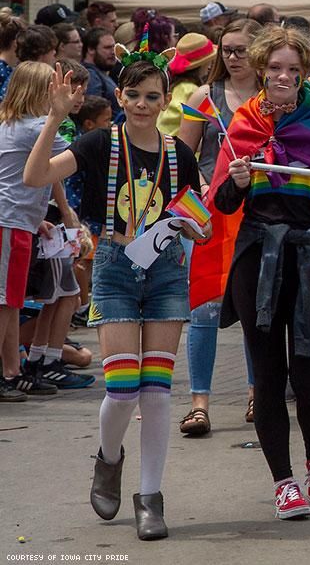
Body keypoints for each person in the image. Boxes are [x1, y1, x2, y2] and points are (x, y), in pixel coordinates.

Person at [25, 56, 207, 541]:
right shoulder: (98, 141)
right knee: (124, 388)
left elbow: (193, 209)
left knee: (158, 390)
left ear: (165, 100)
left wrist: (197, 222)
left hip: (166, 269)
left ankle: (151, 497)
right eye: (133, 95)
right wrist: (56, 116)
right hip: (113, 266)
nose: (142, 105)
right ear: (120, 98)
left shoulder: (178, 153)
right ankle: (108, 458)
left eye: (152, 96)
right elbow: (35, 175)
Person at [212, 26, 310, 521]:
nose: (283, 76)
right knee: (268, 375)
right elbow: (224, 202)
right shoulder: (244, 123)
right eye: (274, 68)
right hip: (257, 257)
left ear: (305, 72)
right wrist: (237, 181)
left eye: (292, 70)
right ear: (260, 70)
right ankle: (283, 481)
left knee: (307, 369)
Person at [175, 18, 264, 435]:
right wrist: (198, 198)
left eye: (241, 50)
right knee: (204, 309)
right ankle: (199, 405)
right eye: (226, 50)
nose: (232, 57)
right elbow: (182, 159)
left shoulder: (273, 98)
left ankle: (255, 393)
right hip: (211, 217)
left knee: (256, 309)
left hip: (260, 215)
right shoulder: (202, 96)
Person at [0, 62, 70, 401]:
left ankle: (11, 371)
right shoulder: (37, 127)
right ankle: (5, 372)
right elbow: (77, 153)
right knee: (4, 301)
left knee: (10, 301)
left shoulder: (9, 124)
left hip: (15, 221)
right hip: (11, 223)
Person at [157, 33, 215, 136]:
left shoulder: (177, 86)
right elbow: (214, 124)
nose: (210, 66)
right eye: (209, 61)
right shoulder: (192, 91)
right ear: (202, 64)